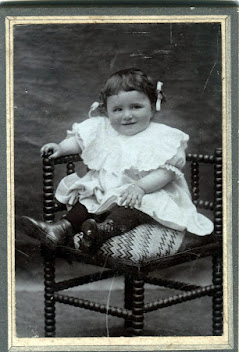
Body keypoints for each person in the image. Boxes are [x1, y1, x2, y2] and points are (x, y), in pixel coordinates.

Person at [21, 68, 213, 253]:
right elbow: (80, 141)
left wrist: (140, 188)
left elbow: (167, 172)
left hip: (147, 193)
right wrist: (62, 147)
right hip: (108, 192)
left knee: (132, 208)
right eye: (118, 109)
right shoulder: (104, 129)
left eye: (136, 107)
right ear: (106, 111)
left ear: (153, 107)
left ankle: (104, 231)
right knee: (87, 201)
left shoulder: (164, 137)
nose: (127, 115)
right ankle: (60, 228)